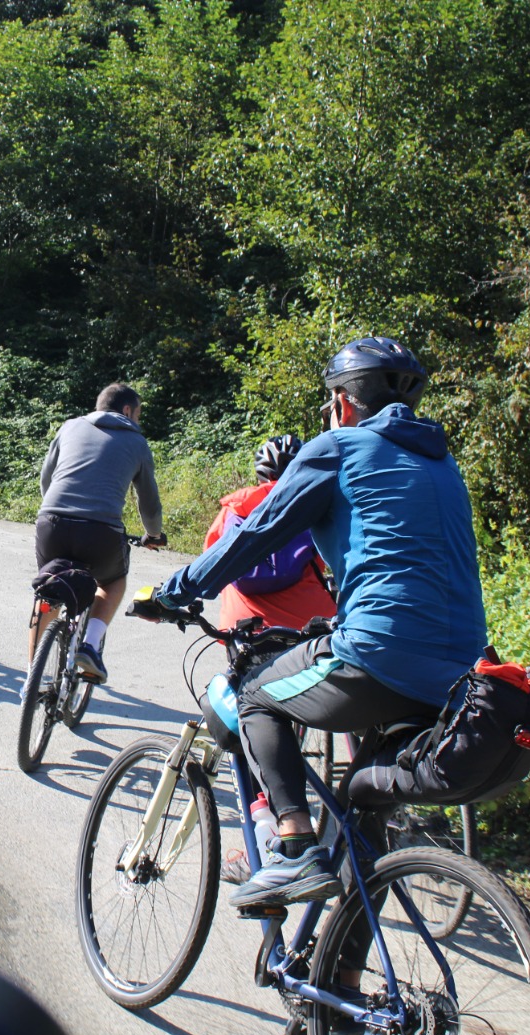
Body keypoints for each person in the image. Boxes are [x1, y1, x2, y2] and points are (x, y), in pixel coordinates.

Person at [154, 337, 485, 913]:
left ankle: (294, 847)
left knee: (252, 693)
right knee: (364, 838)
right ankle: (337, 992)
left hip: (379, 651)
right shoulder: (441, 461)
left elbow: (255, 537)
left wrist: (173, 590)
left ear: (343, 400)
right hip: (463, 673)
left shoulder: (339, 446)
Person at [35, 382, 165, 686]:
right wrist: (154, 534)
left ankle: (34, 680)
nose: (139, 421)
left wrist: (55, 511)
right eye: (139, 415)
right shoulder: (136, 441)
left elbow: (47, 479)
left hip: (51, 523)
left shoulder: (69, 427)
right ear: (127, 410)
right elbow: (149, 504)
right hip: (100, 532)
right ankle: (91, 645)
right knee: (112, 580)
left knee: (48, 589)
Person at [203, 435, 335, 632]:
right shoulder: (315, 506)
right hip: (307, 618)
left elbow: (210, 561)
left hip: (242, 622)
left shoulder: (234, 508)